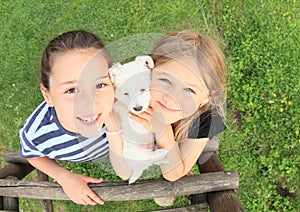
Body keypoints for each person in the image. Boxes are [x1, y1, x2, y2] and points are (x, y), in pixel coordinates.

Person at [105, 29, 226, 205]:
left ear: (207, 96)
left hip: (176, 151)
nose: (171, 97)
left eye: (189, 90)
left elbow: (174, 174)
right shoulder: (134, 98)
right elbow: (123, 170)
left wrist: (163, 133)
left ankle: (164, 187)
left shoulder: (207, 119)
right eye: (165, 81)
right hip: (141, 148)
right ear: (149, 72)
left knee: (168, 183)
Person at [19, 30, 115, 205]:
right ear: (47, 95)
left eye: (99, 84)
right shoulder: (37, 134)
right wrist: (63, 176)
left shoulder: (126, 102)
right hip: (88, 155)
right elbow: (31, 154)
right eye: (71, 90)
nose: (90, 103)